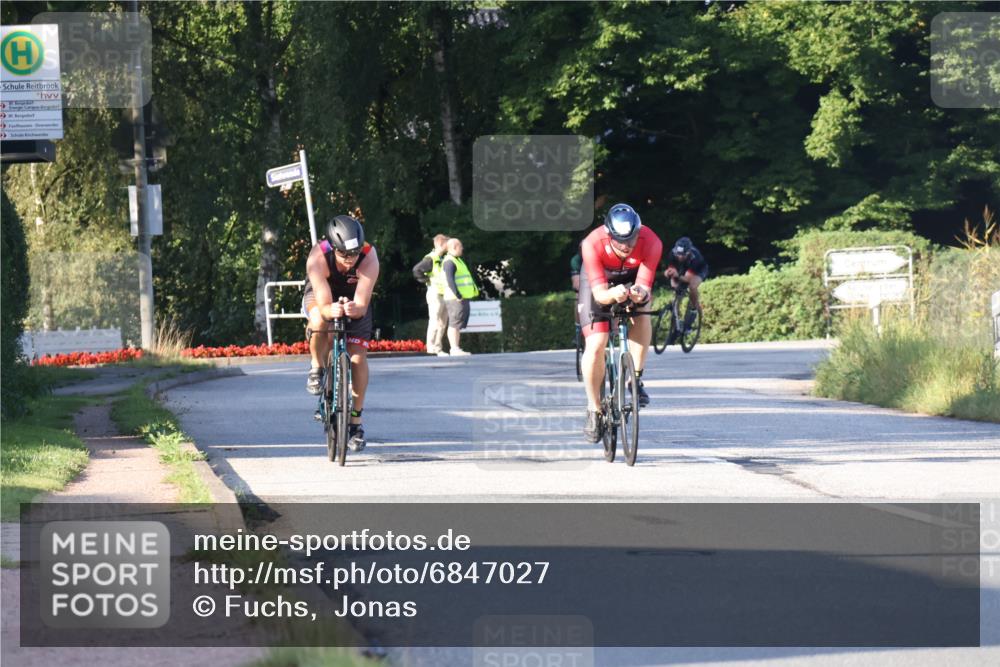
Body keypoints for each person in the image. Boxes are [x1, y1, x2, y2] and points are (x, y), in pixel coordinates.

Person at [578, 203, 663, 442]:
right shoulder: (592, 243)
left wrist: (640, 294)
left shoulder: (651, 241)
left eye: (632, 239)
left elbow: (645, 287)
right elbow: (600, 296)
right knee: (596, 344)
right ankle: (594, 408)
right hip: (599, 283)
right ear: (609, 234)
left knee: (643, 308)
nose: (626, 246)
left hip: (631, 278)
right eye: (620, 241)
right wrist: (613, 294)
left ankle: (634, 376)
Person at [303, 215, 380, 452]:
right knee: (319, 320)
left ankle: (355, 423)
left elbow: (362, 303)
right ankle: (317, 368)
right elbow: (324, 305)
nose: (350, 261)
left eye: (354, 254)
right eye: (344, 255)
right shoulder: (318, 257)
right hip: (322, 294)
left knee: (357, 358)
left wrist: (353, 308)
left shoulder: (369, 256)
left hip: (353, 298)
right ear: (333, 248)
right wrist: (330, 309)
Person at [441, 237, 479, 357]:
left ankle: (456, 348)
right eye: (460, 246)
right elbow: (450, 280)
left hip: (458, 297)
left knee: (457, 323)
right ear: (454, 247)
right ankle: (454, 348)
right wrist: (458, 295)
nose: (462, 248)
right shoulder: (449, 261)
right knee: (454, 323)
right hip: (454, 298)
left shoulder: (457, 260)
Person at [412, 234, 449, 354]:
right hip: (435, 293)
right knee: (435, 320)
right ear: (440, 244)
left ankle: (438, 348)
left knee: (443, 322)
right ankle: (431, 347)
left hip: (444, 293)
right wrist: (427, 281)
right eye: (446, 244)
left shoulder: (443, 258)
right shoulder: (431, 258)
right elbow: (416, 270)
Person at [663, 236, 708, 332]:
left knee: (692, 286)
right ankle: (676, 320)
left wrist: (677, 276)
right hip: (683, 270)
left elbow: (688, 279)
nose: (680, 257)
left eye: (683, 255)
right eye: (678, 254)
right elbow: (671, 270)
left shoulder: (695, 257)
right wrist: (668, 273)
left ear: (688, 252)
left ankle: (693, 308)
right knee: (676, 290)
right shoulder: (672, 253)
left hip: (698, 270)